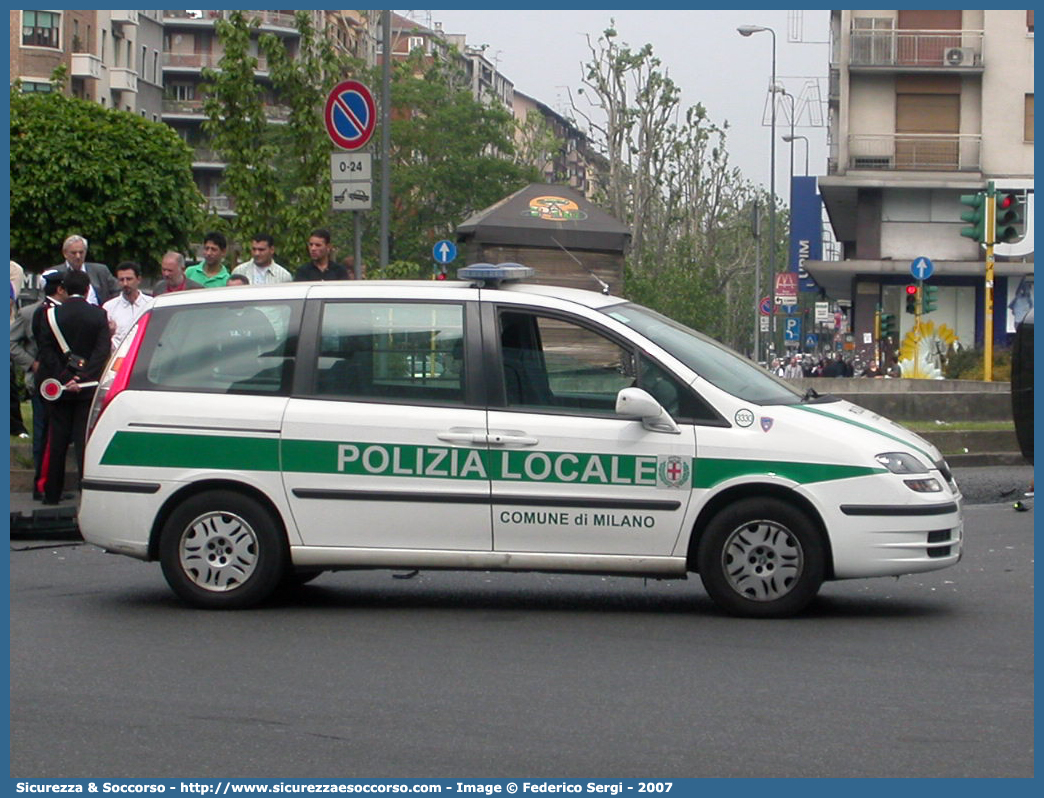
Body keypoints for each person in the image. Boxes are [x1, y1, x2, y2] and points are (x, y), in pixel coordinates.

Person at [35, 270, 111, 504]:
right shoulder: (99, 315)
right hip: (87, 386)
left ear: (65, 290)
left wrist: (65, 376)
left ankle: (52, 494)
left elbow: (46, 350)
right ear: (88, 290)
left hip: (59, 386)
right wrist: (83, 376)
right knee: (83, 442)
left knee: (57, 441)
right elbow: (102, 351)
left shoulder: (51, 315)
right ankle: (85, 493)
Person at [13, 272, 66, 497]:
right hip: (40, 382)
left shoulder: (66, 312)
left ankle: (50, 483)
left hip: (61, 381)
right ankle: (41, 484)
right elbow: (10, 342)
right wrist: (30, 364)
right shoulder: (28, 313)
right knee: (42, 431)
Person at [52, 234, 119, 306]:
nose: (78, 256)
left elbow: (118, 290)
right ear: (65, 253)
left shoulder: (100, 270)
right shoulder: (54, 273)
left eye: (81, 252)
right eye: (73, 253)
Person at [103, 262, 154, 349]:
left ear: (139, 279)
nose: (125, 284)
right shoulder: (109, 307)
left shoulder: (151, 304)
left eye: (129, 279)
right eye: (121, 280)